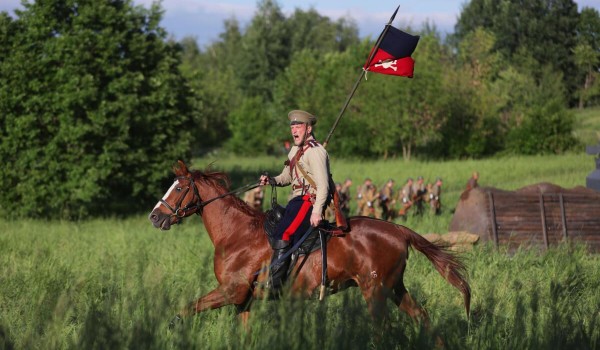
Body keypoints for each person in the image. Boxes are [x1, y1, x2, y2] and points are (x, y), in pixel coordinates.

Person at [259, 110, 331, 292]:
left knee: (284, 233)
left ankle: (274, 287)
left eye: (298, 126)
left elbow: (323, 186)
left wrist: (317, 211)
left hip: (309, 201)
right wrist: (272, 180)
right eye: (292, 127)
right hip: (295, 201)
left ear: (308, 129)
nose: (294, 130)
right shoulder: (294, 151)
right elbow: (287, 177)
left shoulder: (315, 152)